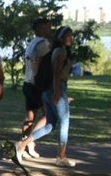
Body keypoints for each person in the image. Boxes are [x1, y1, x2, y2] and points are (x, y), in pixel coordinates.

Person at [18, 25, 74, 165]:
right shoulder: (60, 52)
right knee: (65, 122)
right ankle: (61, 156)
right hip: (56, 89)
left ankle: (22, 145)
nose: (71, 38)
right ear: (61, 38)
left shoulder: (55, 51)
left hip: (48, 91)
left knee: (50, 125)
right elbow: (56, 74)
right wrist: (58, 93)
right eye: (68, 35)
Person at [20, 17, 53, 156]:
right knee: (49, 115)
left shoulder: (31, 43)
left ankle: (27, 144)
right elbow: (40, 65)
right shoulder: (43, 44)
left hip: (27, 83)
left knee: (30, 117)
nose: (50, 29)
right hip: (36, 84)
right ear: (40, 28)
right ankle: (28, 142)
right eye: (47, 26)